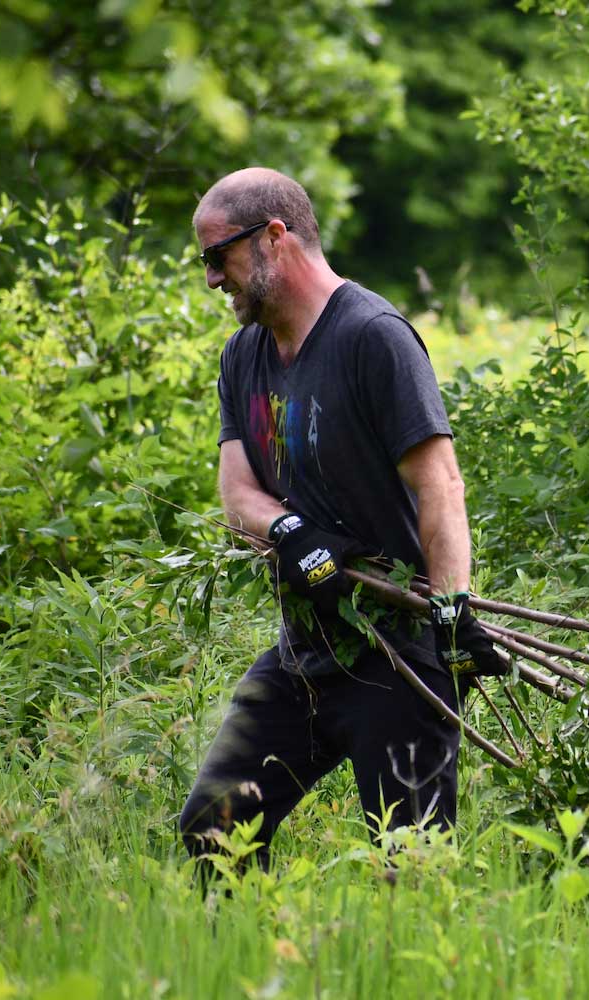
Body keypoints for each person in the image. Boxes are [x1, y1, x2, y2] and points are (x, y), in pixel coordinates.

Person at [178, 167, 504, 874]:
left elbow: (440, 483)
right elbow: (238, 495)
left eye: (216, 257)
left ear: (273, 237)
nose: (211, 279)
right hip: (305, 651)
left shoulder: (372, 337)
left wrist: (450, 611)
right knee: (214, 825)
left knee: (410, 865)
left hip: (397, 655)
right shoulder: (244, 357)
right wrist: (290, 532)